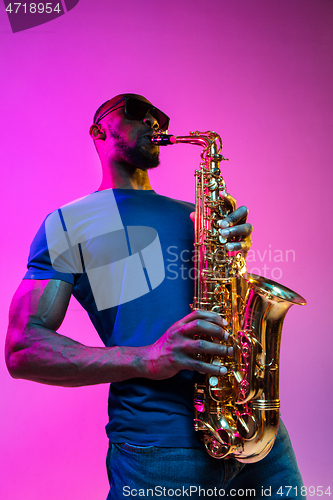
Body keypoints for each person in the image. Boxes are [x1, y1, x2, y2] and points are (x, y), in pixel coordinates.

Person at [5, 94, 304, 499]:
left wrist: (236, 259)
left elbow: (225, 303)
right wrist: (146, 358)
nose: (151, 120)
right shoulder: (68, 223)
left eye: (158, 116)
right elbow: (24, 347)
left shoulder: (195, 214)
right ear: (98, 131)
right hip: (159, 451)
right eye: (133, 112)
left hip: (257, 432)